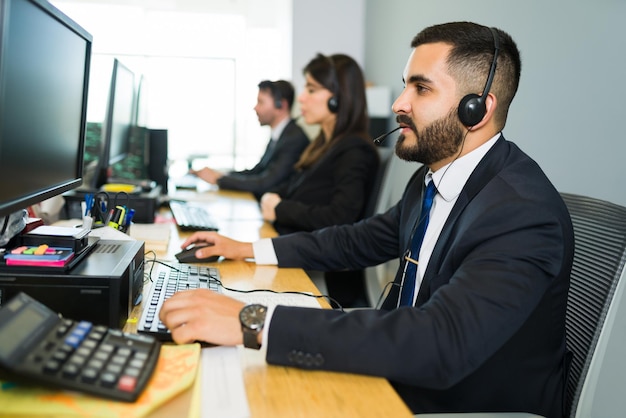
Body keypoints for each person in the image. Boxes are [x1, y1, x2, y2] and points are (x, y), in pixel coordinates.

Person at [159, 22, 574, 417]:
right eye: (406, 84)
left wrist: (252, 321)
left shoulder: (521, 213)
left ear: (475, 109)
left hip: (462, 405)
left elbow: (441, 341)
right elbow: (356, 240)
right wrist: (248, 249)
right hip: (404, 374)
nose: (398, 104)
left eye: (421, 88)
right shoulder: (432, 179)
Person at [258, 53, 380, 306]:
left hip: (322, 276)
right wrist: (274, 196)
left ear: (338, 98)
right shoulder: (324, 144)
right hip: (299, 255)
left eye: (312, 89)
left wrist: (280, 208)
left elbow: (340, 218)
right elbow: (294, 185)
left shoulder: (354, 150)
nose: (301, 97)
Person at [191, 80, 309, 199]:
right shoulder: (281, 134)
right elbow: (257, 171)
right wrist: (222, 174)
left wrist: (219, 179)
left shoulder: (293, 138)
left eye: (261, 102)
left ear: (281, 105)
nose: (255, 108)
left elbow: (265, 183)